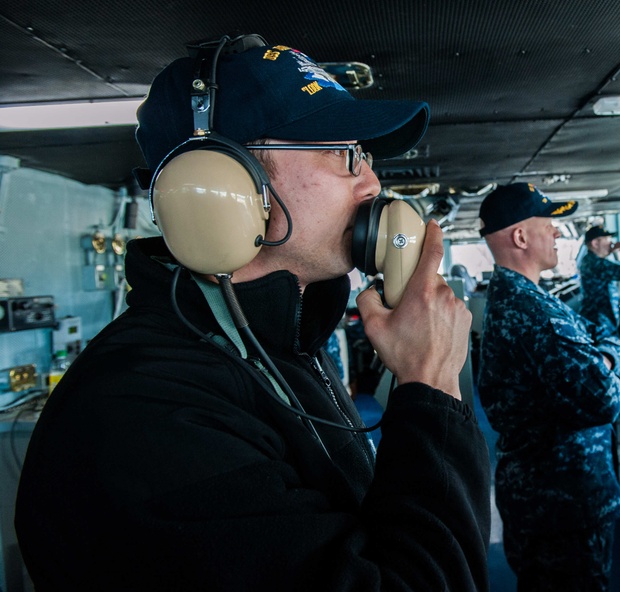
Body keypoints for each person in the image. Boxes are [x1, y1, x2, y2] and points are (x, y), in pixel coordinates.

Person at [15, 35, 491, 591]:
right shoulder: (144, 416)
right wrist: (429, 385)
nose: (372, 181)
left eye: (364, 155)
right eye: (344, 154)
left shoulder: (276, 343)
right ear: (230, 184)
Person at [476, 182, 620, 591]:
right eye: (549, 225)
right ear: (520, 237)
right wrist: (609, 355)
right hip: (563, 502)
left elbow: (597, 335)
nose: (558, 233)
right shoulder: (534, 312)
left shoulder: (526, 299)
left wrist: (603, 354)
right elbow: (605, 398)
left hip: (547, 495)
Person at [578, 225, 620, 335]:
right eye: (607, 240)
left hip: (601, 317)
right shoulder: (594, 263)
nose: (611, 243)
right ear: (595, 243)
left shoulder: (592, 261)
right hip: (599, 320)